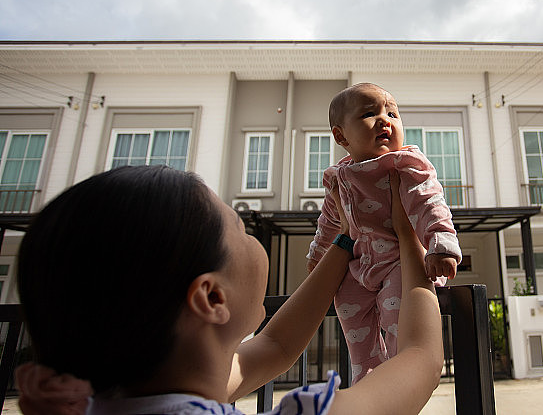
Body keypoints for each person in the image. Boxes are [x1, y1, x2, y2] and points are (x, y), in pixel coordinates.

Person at [14, 164, 443, 415]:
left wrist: (346, 241)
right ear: (212, 297)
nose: (249, 235)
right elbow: (419, 360)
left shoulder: (123, 399)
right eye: (239, 227)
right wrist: (409, 234)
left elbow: (275, 345)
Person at [306, 83, 461, 382]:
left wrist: (440, 244)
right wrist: (318, 256)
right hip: (357, 267)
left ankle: (398, 383)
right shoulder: (339, 177)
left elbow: (430, 202)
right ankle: (366, 382)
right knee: (354, 328)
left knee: (398, 326)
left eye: (392, 113)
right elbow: (329, 221)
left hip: (398, 263)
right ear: (341, 136)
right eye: (369, 113)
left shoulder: (406, 165)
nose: (385, 120)